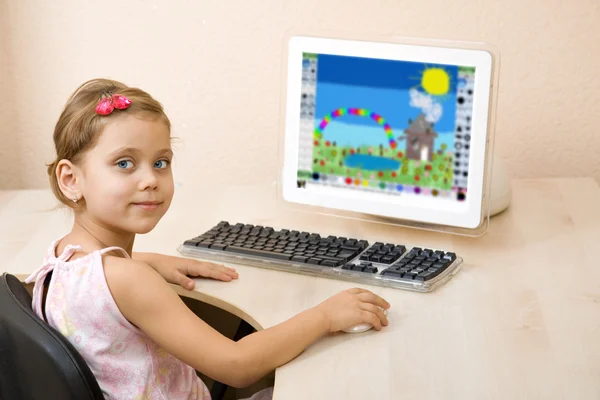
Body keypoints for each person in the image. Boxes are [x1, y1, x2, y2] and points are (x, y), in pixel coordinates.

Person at [25, 78, 390, 400]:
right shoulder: (129, 280)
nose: (150, 179)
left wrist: (145, 260)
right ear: (71, 180)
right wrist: (324, 316)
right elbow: (235, 365)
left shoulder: (62, 258)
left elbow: (102, 283)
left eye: (161, 162)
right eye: (124, 163)